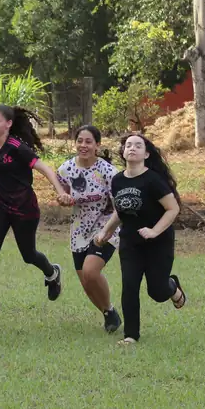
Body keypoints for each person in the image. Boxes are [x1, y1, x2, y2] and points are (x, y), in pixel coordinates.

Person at [0, 105, 63, 327]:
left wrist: (60, 192)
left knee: (28, 255)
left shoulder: (18, 147)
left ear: (8, 124)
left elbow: (45, 169)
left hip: (24, 207)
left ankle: (52, 272)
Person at [94, 133, 187, 346]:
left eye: (138, 145)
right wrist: (105, 232)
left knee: (157, 291)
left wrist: (155, 231)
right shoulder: (117, 180)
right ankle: (131, 335)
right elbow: (121, 210)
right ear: (124, 152)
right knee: (129, 286)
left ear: (146, 153)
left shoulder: (153, 180)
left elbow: (173, 209)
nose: (132, 148)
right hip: (130, 243)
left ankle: (172, 286)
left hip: (158, 243)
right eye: (128, 145)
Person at [54, 125, 123, 334]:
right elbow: (62, 194)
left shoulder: (109, 172)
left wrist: (108, 230)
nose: (83, 145)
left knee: (91, 272)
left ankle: (109, 311)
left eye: (88, 141)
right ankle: (108, 313)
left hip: (106, 228)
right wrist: (63, 199)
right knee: (85, 280)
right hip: (79, 230)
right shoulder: (65, 170)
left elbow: (119, 206)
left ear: (97, 145)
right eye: (80, 141)